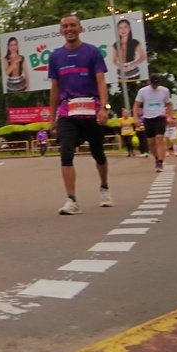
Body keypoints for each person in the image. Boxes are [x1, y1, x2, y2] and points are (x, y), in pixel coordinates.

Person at [48, 14, 113, 215]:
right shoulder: (55, 56)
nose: (69, 29)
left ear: (80, 28)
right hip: (67, 111)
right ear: (60, 31)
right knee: (66, 152)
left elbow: (101, 81)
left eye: (73, 25)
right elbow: (55, 88)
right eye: (65, 26)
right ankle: (72, 200)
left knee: (98, 153)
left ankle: (104, 187)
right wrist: (52, 118)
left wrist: (103, 108)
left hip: (92, 110)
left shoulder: (92, 52)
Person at [134, 74, 173, 172]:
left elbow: (169, 104)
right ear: (149, 82)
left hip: (160, 117)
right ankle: (156, 158)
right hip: (148, 118)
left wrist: (170, 117)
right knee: (151, 142)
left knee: (159, 139)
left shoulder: (165, 90)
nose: (155, 86)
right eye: (153, 84)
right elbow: (136, 105)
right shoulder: (143, 91)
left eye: (157, 84)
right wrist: (135, 118)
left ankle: (160, 162)